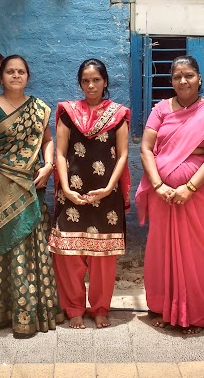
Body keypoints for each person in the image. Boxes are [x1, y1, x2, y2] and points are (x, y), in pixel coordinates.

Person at [135, 56, 204, 334]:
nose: (183, 81)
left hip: (197, 196)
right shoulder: (161, 109)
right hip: (162, 194)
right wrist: (159, 184)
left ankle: (195, 314)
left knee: (197, 252)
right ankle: (163, 308)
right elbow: (146, 149)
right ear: (171, 81)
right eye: (177, 76)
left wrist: (189, 188)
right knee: (161, 250)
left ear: (199, 78)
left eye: (188, 75)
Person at [0, 55, 63, 338]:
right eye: (10, 72)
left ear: (28, 76)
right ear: (1, 77)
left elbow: (48, 142)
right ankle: (1, 311)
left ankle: (31, 312)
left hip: (31, 185)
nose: (15, 76)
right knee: (4, 249)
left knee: (32, 248)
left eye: (21, 71)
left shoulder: (38, 108)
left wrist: (48, 166)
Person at [50, 58, 130, 330]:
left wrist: (109, 187)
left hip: (106, 195)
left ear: (105, 82)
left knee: (103, 260)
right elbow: (60, 153)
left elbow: (123, 155)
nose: (91, 85)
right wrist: (66, 188)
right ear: (80, 83)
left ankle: (100, 309)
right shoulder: (67, 113)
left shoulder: (118, 115)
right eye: (86, 80)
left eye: (96, 79)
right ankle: (73, 308)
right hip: (72, 193)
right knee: (68, 257)